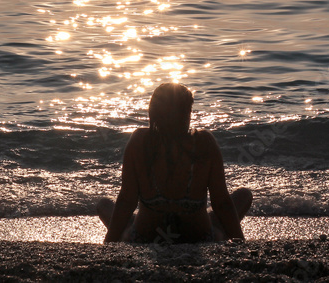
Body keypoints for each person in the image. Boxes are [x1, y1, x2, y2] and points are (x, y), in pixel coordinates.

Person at [96, 82, 252, 244]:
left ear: (155, 113)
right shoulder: (205, 142)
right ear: (186, 113)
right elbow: (222, 203)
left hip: (145, 239)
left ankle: (123, 236)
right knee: (244, 195)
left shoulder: (140, 142)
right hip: (199, 239)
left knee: (104, 204)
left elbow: (126, 202)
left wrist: (109, 244)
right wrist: (239, 242)